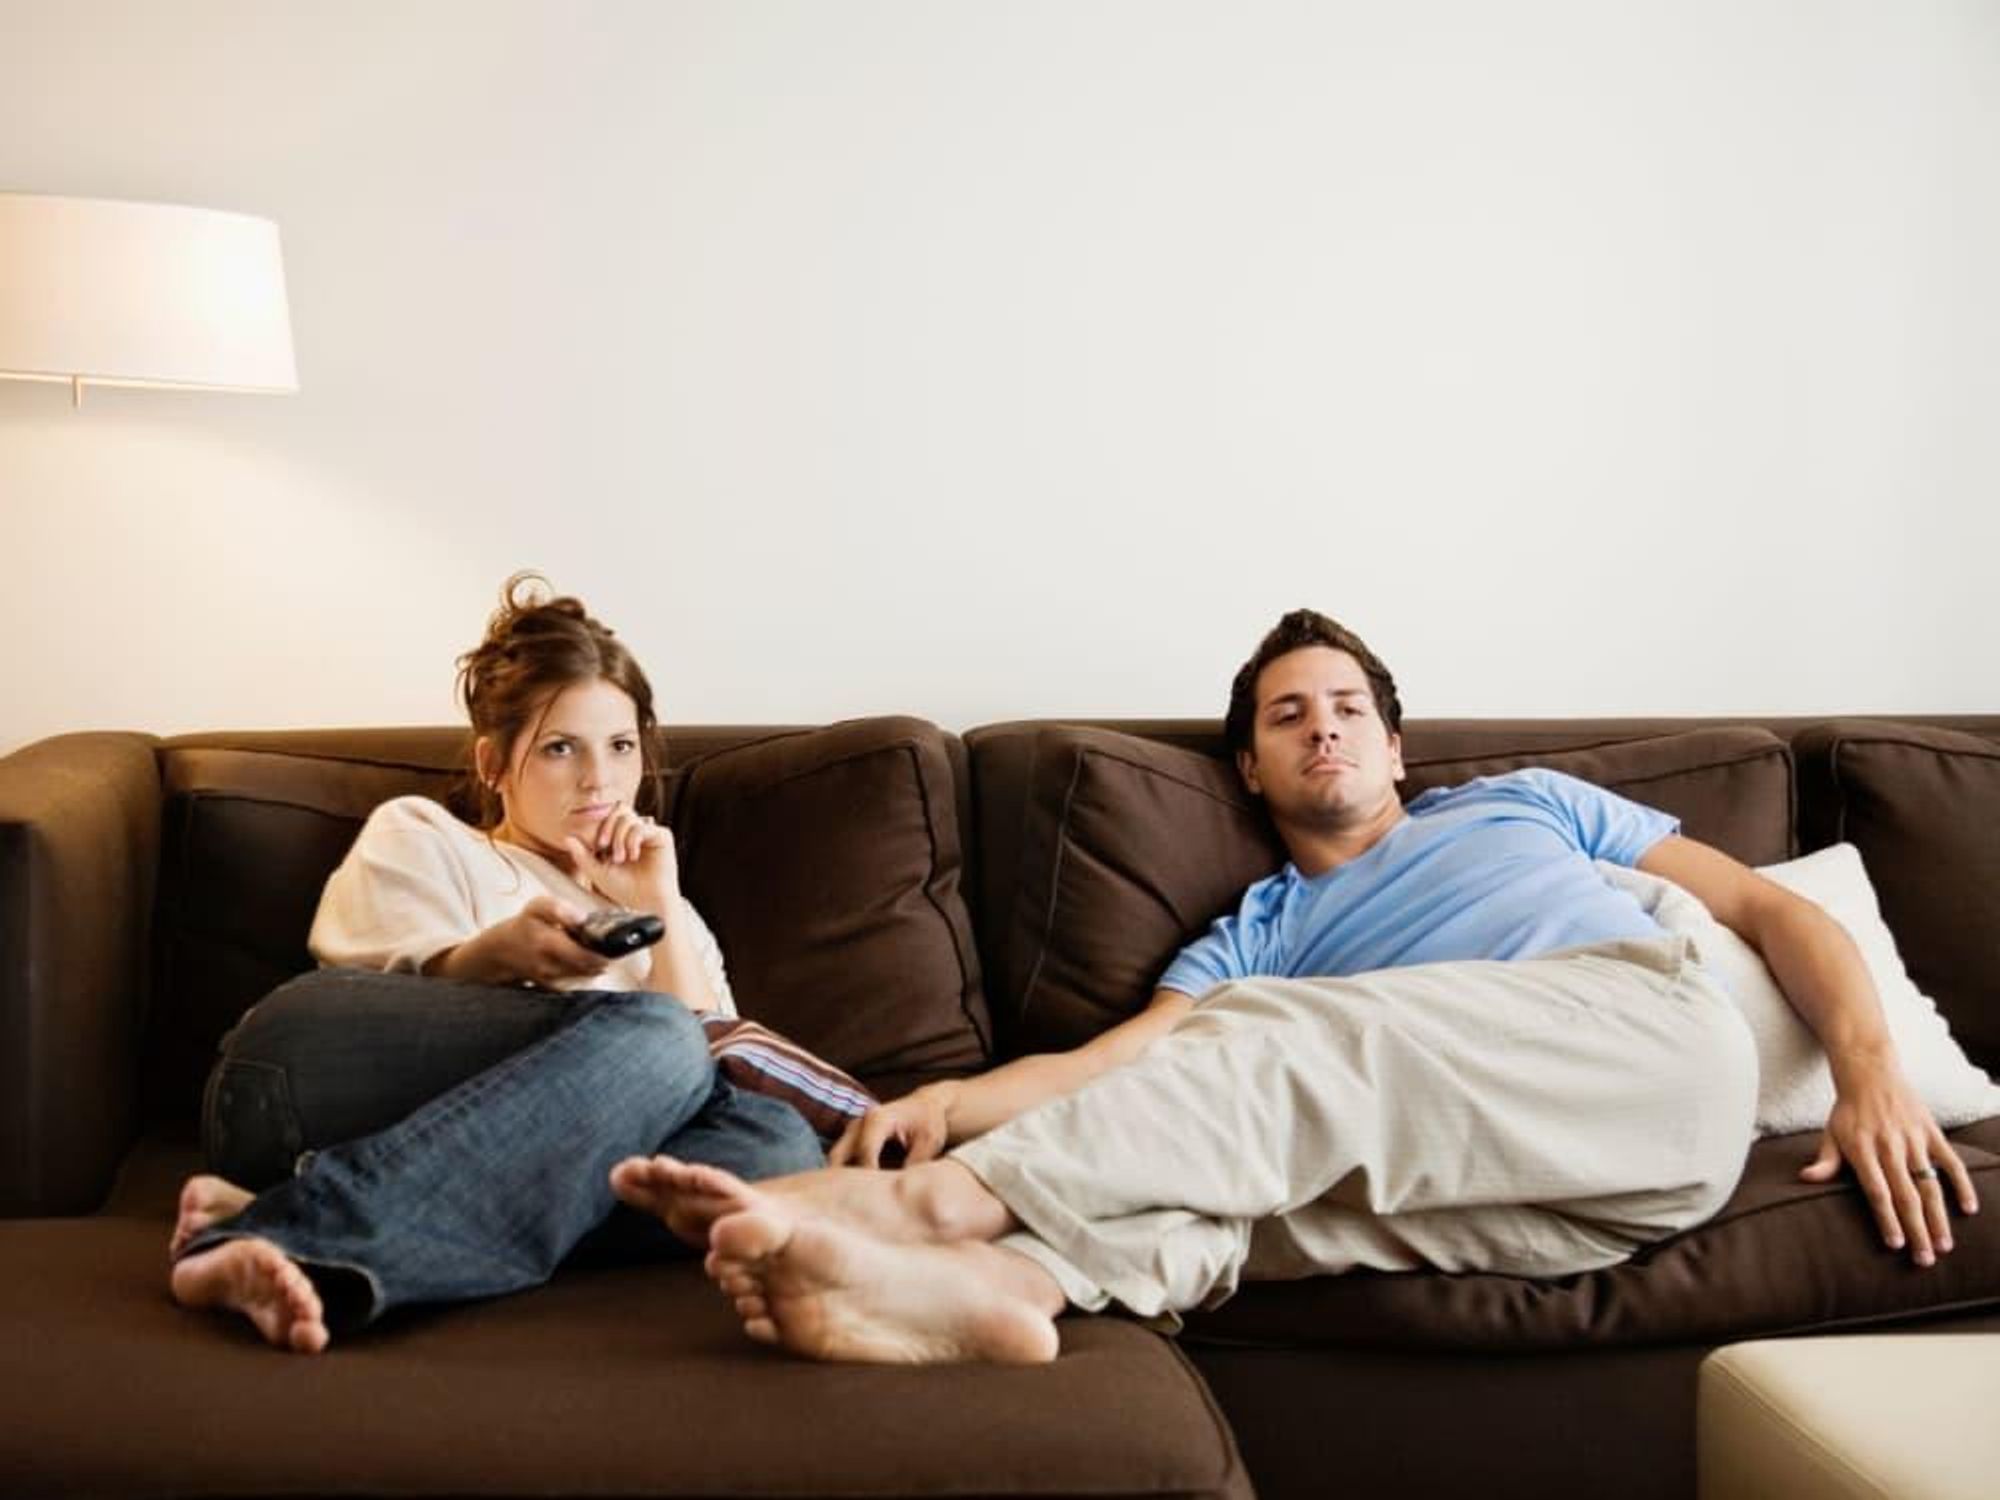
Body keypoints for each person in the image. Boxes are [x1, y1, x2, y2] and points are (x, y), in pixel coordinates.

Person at [611, 609, 1982, 1365]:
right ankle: (1013, 1290)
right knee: (1215, 1197)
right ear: (1253, 774)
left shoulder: (1524, 804)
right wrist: (957, 1095)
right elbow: (1121, 1067)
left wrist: (1865, 1074)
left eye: (1345, 708)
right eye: (1286, 715)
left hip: (1648, 1059)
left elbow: (1764, 909)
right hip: (1533, 1202)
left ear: (1393, 743)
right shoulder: (1261, 929)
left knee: (1280, 1042)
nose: (1321, 726)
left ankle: (926, 1216)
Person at [169, 574, 844, 1352]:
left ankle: (276, 1217)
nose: (600, 780)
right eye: (562, 748)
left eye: (621, 747)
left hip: (461, 1145)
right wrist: (489, 959)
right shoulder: (424, 833)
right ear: (492, 763)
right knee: (657, 1038)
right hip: (298, 1075)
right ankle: (302, 1227)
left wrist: (658, 901)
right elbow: (355, 999)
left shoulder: (673, 913)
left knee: (771, 1153)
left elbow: (713, 1058)